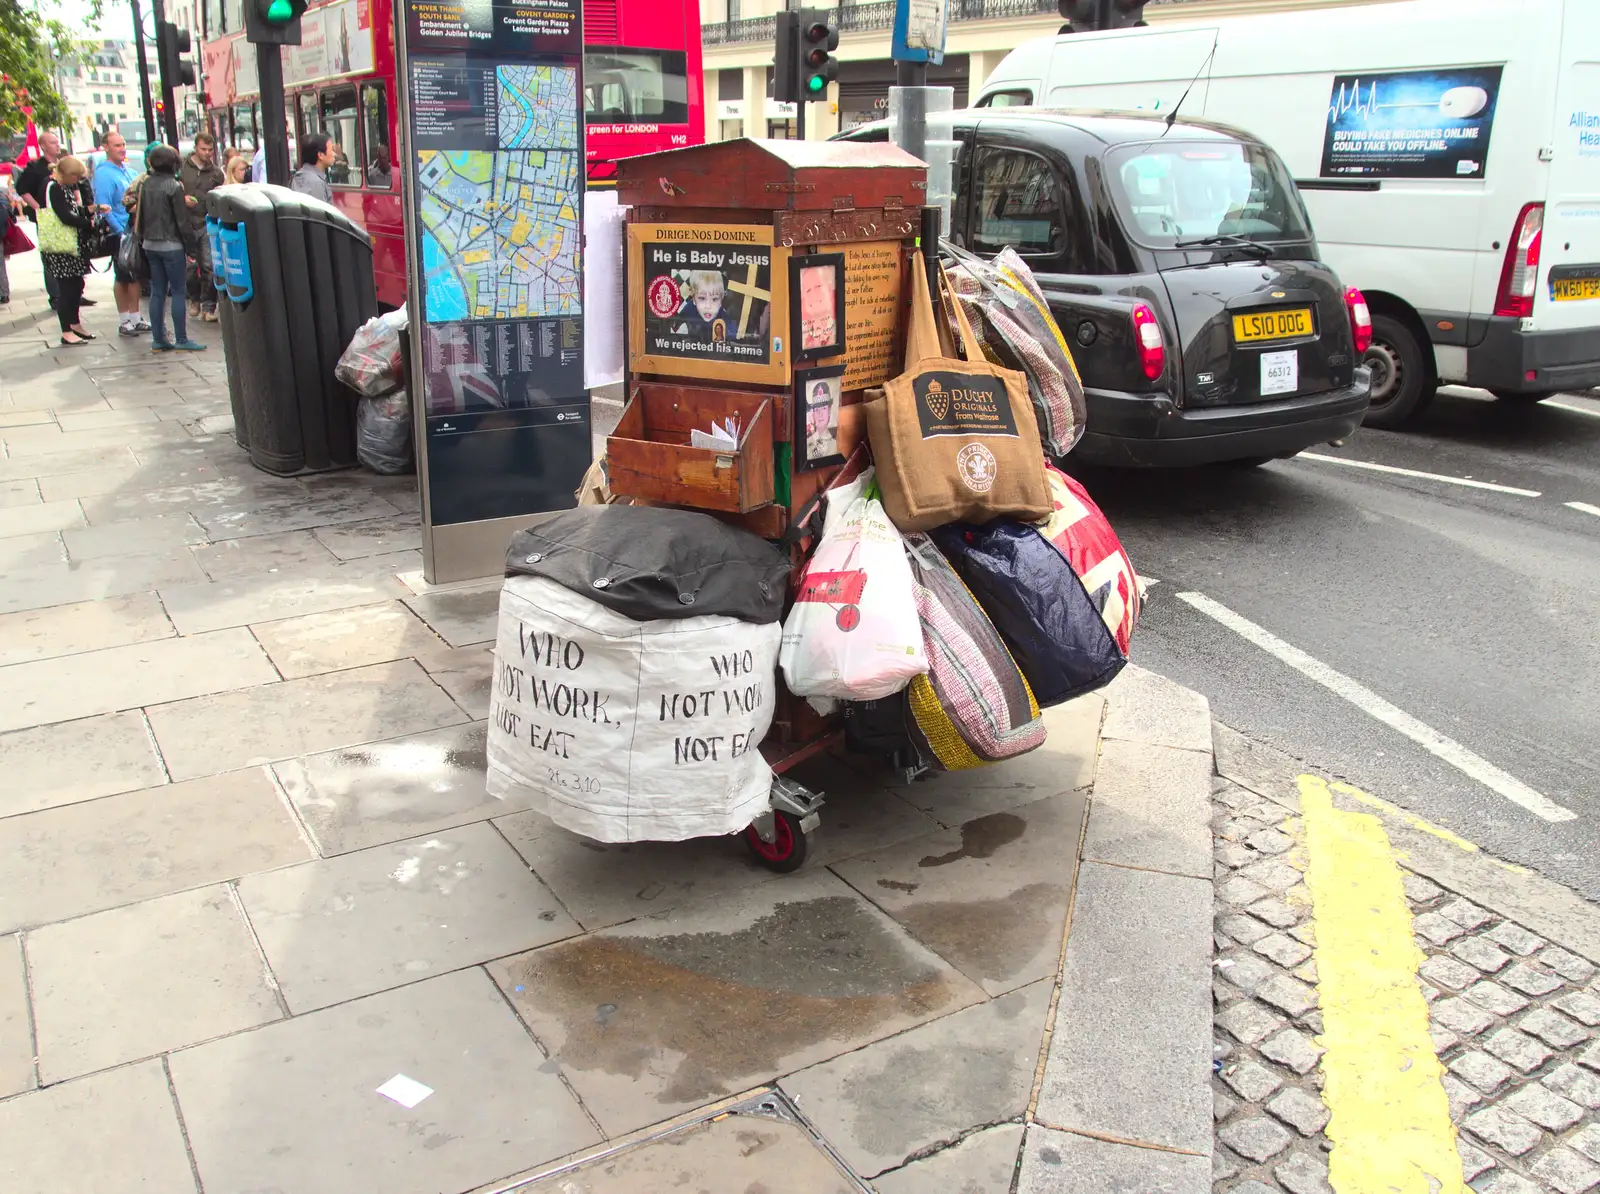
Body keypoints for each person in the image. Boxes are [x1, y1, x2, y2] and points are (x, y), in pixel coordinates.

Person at [136, 144, 206, 353]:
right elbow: (181, 221)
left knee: (157, 290)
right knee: (177, 290)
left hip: (150, 243)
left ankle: (159, 338)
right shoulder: (174, 186)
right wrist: (192, 249)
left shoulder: (146, 184)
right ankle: (182, 339)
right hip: (171, 245)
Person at [39, 156, 102, 346]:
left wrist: (91, 210)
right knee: (67, 288)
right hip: (61, 247)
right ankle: (66, 330)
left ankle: (74, 324)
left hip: (70, 245)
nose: (77, 182)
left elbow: (72, 209)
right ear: (67, 174)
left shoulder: (61, 186)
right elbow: (65, 216)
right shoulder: (53, 187)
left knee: (76, 285)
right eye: (76, 177)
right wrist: (88, 223)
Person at [93, 131, 148, 338]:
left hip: (133, 230)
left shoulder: (127, 171)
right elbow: (104, 206)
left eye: (123, 144)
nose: (122, 148)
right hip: (120, 232)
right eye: (116, 145)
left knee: (134, 274)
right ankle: (124, 319)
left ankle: (135, 317)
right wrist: (118, 231)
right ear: (105, 147)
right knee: (122, 274)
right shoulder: (104, 174)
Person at [14, 132, 67, 309]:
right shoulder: (35, 168)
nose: (57, 145)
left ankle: (71, 293)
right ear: (43, 146)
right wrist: (39, 208)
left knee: (68, 254)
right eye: (52, 143)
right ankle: (56, 296)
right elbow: (22, 189)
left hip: (65, 216)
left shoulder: (62, 165)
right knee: (51, 256)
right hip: (47, 219)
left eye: (57, 142)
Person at [180, 131, 224, 322]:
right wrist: (182, 199)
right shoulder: (182, 167)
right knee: (190, 267)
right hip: (186, 223)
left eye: (209, 150)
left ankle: (209, 306)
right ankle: (194, 300)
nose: (206, 153)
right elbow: (172, 191)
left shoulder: (215, 173)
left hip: (206, 222)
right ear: (195, 148)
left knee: (209, 265)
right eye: (203, 149)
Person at [678, 269, 730, 341]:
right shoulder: (688, 310)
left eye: (714, 299)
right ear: (693, 295)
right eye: (702, 298)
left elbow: (727, 339)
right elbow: (676, 327)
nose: (708, 306)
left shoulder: (722, 315)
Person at [291, 134, 336, 202]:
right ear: (320, 155)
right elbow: (320, 212)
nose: (334, 154)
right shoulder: (316, 183)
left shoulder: (298, 177)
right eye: (332, 150)